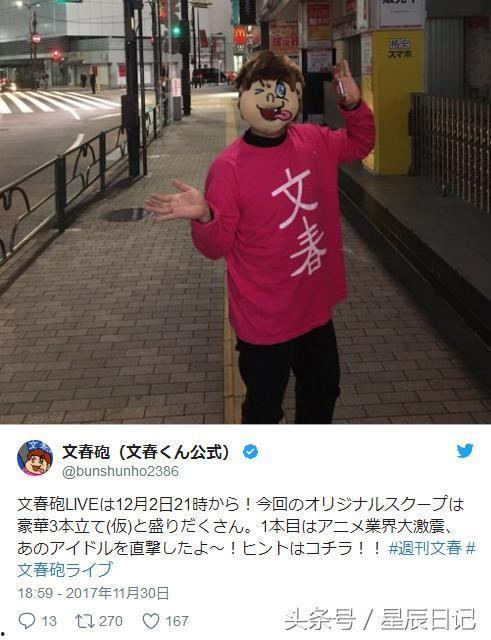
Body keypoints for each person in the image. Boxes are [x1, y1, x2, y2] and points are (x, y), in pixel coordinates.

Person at [144, 50, 375, 424]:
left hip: (314, 307)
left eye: (283, 91)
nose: (274, 100)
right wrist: (205, 216)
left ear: (296, 96)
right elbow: (216, 248)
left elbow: (360, 144)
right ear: (242, 99)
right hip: (263, 319)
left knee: (322, 391)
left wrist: (353, 106)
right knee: (264, 407)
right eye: (262, 91)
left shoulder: (314, 140)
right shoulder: (228, 167)